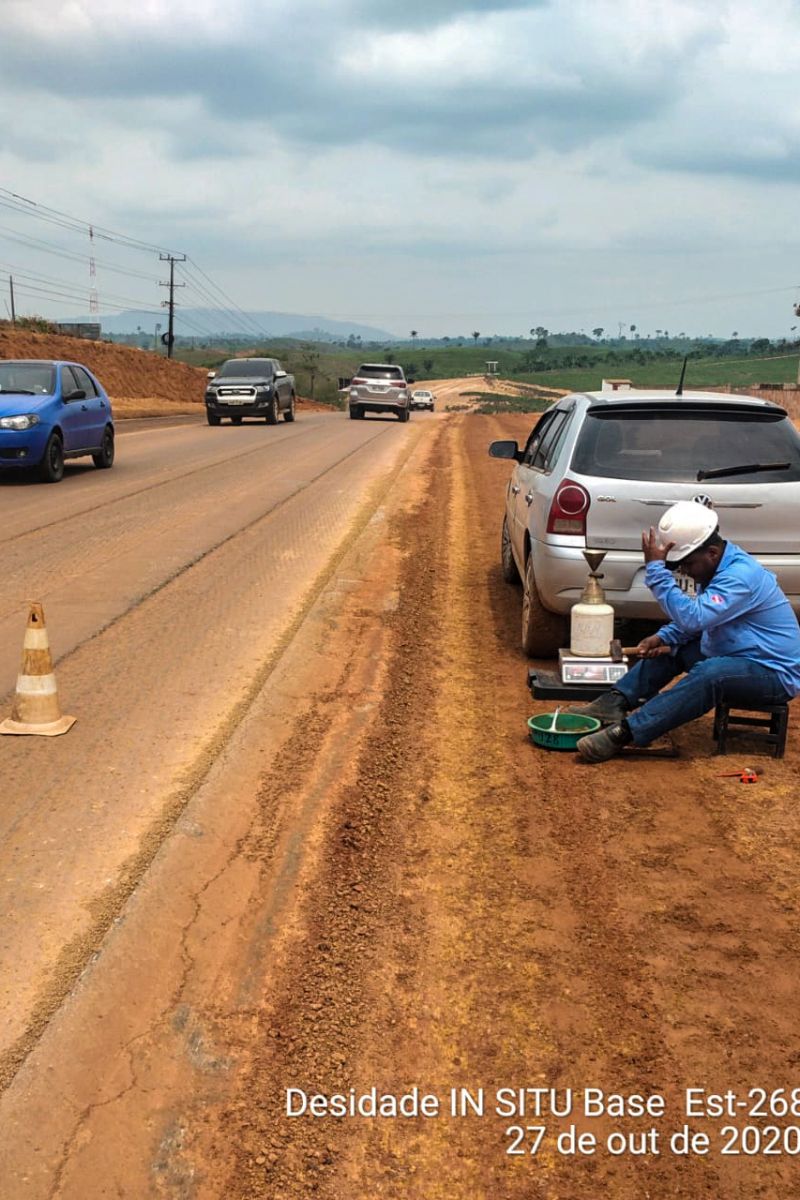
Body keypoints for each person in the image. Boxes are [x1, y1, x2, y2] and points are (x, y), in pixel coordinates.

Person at [571, 500, 800, 763]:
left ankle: (627, 732)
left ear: (712, 553)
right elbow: (700, 619)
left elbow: (694, 619)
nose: (683, 571)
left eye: (687, 564)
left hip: (772, 673)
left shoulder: (740, 576)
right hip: (737, 655)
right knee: (670, 651)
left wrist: (657, 571)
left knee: (710, 675)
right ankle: (616, 702)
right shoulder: (718, 568)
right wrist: (664, 637)